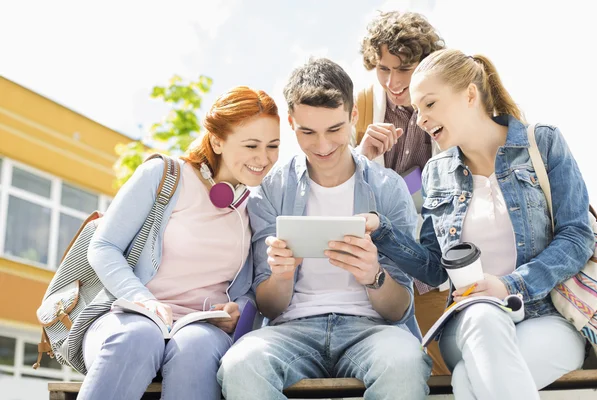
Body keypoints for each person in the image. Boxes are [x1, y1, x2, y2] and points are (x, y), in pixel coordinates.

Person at [365, 48, 594, 399]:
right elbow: (434, 269)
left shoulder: (543, 142)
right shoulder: (436, 173)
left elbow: (576, 236)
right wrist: (381, 231)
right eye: (416, 110)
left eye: (429, 104)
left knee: (469, 383)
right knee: (483, 315)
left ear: (470, 95)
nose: (419, 120)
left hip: (547, 317)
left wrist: (510, 285)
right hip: (468, 323)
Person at [217, 58, 432, 400]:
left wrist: (373, 276)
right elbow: (269, 306)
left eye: (334, 130)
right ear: (291, 123)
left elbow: (400, 308)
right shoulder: (272, 189)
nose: (322, 146)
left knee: (405, 364)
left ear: (353, 118)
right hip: (292, 330)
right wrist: (282, 276)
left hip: (373, 331)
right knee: (241, 365)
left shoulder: (388, 188)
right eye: (307, 132)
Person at [78, 86, 281, 400]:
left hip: (201, 331)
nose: (264, 158)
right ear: (217, 140)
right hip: (131, 319)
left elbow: (250, 290)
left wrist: (236, 310)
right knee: (139, 336)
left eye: (273, 146)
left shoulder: (253, 208)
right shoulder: (163, 176)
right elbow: (103, 247)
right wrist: (143, 301)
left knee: (196, 347)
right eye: (251, 145)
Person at [354, 10, 449, 375]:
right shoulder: (360, 104)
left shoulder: (445, 105)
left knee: (440, 368)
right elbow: (329, 181)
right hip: (374, 265)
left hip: (428, 262)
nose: (393, 82)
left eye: (403, 70)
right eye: (382, 68)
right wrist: (363, 156)